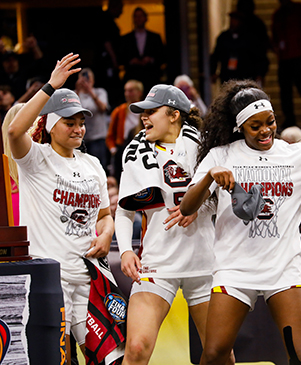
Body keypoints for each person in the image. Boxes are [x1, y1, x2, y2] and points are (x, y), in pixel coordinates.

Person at [179, 79, 301, 364]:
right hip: (235, 268)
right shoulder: (222, 155)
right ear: (239, 127)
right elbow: (186, 206)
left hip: (283, 267)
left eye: (270, 121)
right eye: (255, 126)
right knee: (215, 352)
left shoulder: (298, 154)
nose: (266, 130)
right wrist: (209, 176)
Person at [7, 53, 115, 365]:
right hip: (52, 284)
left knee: (115, 358)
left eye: (81, 122)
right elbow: (14, 132)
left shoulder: (93, 163)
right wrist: (51, 86)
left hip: (91, 281)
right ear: (51, 126)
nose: (79, 129)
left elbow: (105, 217)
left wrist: (106, 234)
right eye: (70, 122)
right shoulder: (35, 160)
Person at [114, 84, 232, 365]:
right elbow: (123, 212)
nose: (144, 118)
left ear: (174, 115)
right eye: (143, 113)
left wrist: (198, 205)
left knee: (221, 356)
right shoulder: (135, 152)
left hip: (203, 263)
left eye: (151, 111)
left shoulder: (206, 148)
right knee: (137, 349)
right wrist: (125, 251)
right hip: (157, 263)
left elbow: (226, 198)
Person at [271, 0, 301, 128]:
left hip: (300, 55)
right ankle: (289, 119)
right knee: (285, 92)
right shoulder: (278, 14)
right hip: (284, 58)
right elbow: (275, 34)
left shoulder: (298, 9)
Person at [210, 11, 265, 86]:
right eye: (231, 20)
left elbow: (259, 57)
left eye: (235, 20)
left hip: (245, 75)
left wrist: (259, 74)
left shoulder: (250, 38)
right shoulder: (224, 37)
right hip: (228, 76)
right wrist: (213, 72)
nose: (232, 22)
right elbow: (215, 55)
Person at [120, 7, 165, 94]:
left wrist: (151, 59)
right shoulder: (126, 39)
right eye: (136, 16)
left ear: (146, 18)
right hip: (133, 76)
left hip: (151, 77)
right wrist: (131, 61)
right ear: (133, 19)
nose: (139, 19)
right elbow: (120, 57)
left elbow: (163, 56)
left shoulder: (155, 37)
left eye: (141, 16)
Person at [106, 79, 144, 181]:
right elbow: (110, 135)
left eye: (131, 90)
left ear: (139, 92)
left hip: (141, 149)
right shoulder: (119, 111)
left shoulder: (146, 111)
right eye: (126, 90)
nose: (127, 94)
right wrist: (113, 149)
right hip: (122, 148)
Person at [75, 68, 109, 169]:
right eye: (83, 79)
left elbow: (103, 108)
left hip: (98, 138)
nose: (86, 82)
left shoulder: (99, 92)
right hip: (80, 138)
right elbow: (72, 110)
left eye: (88, 79)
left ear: (93, 81)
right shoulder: (74, 94)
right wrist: (77, 90)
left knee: (98, 167)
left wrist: (90, 91)